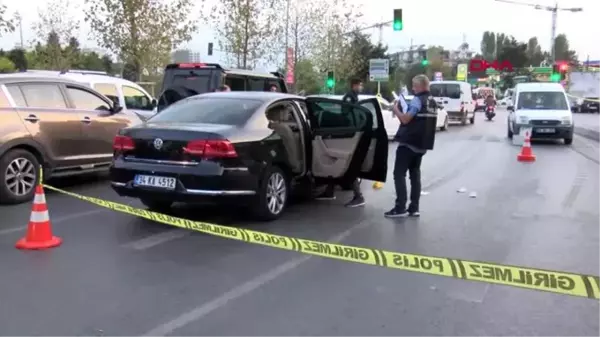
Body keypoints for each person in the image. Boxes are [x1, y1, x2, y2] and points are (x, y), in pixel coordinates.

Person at [385, 74, 435, 218]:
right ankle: (414, 208)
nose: (413, 88)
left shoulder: (417, 100)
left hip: (409, 143)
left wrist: (396, 110)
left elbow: (406, 120)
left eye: (414, 86)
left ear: (420, 86)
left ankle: (400, 207)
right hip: (422, 145)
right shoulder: (432, 101)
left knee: (398, 174)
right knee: (415, 175)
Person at [315, 78, 365, 208]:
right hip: (350, 132)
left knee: (344, 163)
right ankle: (330, 191)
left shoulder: (353, 97)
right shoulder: (350, 97)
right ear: (354, 85)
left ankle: (358, 196)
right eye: (360, 85)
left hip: (351, 133)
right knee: (334, 161)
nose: (361, 87)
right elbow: (347, 115)